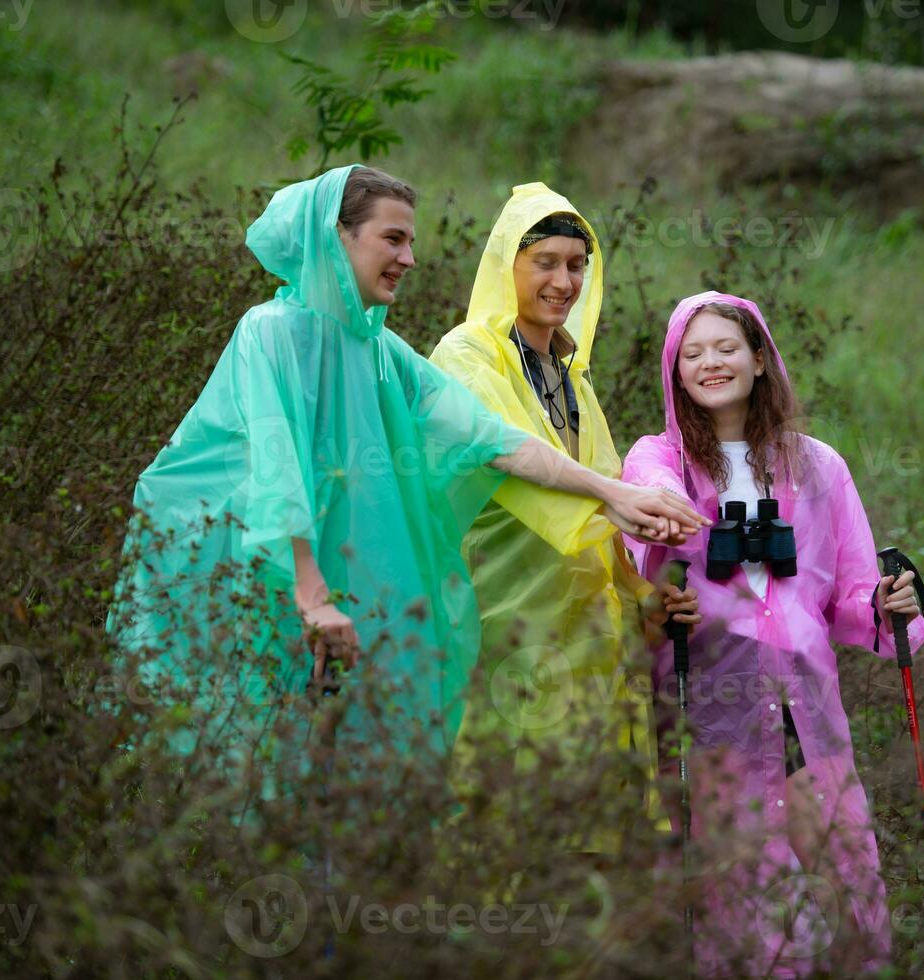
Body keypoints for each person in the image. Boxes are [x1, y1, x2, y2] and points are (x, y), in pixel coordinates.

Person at [104, 165, 704, 809]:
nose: (409, 258)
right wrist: (310, 597)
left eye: (411, 242)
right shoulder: (273, 332)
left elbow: (492, 438)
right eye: (392, 239)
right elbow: (278, 471)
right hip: (258, 571)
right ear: (337, 238)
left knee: (331, 776)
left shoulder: (383, 353)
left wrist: (609, 493)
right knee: (247, 762)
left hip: (328, 584)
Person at [621, 291, 924, 976]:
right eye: (691, 353)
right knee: (737, 891)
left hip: (805, 707)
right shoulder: (657, 459)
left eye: (725, 347)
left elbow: (849, 599)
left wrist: (889, 605)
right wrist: (671, 525)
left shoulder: (819, 467)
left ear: (760, 358)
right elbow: (642, 519)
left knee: (842, 873)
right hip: (712, 709)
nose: (710, 363)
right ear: (675, 373)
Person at [429, 183, 700, 857]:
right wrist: (614, 495)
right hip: (505, 620)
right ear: (506, 266)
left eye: (577, 264)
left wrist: (643, 593)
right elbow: (504, 450)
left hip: (588, 637)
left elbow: (602, 518)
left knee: (589, 828)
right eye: (545, 261)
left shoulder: (572, 377)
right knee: (509, 806)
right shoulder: (466, 355)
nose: (564, 280)